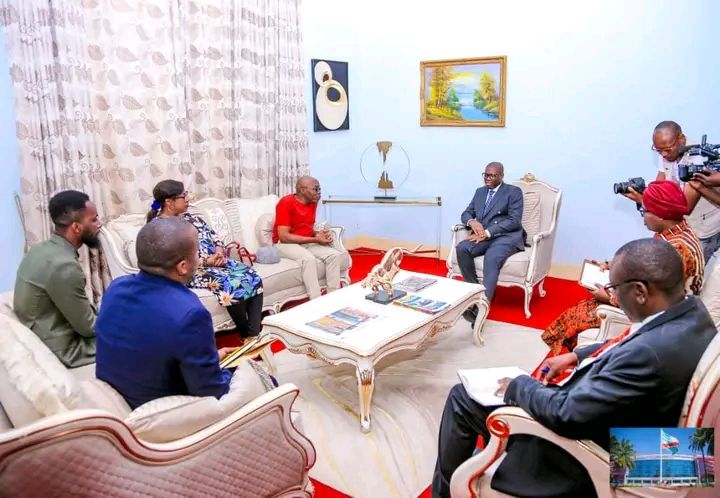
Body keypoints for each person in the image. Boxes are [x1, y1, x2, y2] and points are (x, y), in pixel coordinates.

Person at [432, 238, 716, 498]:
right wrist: (579, 356)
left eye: (614, 289)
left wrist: (518, 385)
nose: (611, 294)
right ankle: (481, 456)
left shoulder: (649, 354)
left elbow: (566, 415)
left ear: (640, 292)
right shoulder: (693, 313)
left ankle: (451, 490)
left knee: (462, 399)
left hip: (594, 455)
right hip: (660, 438)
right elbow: (637, 338)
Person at [96, 217, 272, 409]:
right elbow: (212, 391)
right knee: (266, 381)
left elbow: (150, 346)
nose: (199, 258)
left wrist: (209, 359)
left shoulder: (116, 288)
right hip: (164, 411)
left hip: (121, 396)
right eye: (197, 253)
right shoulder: (190, 313)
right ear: (182, 266)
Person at [542, 180, 704, 355]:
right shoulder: (678, 231)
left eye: (644, 211)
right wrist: (615, 265)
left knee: (577, 314)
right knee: (579, 309)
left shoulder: (676, 250)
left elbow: (654, 297)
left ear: (661, 215)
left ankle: (579, 361)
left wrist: (609, 298)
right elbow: (649, 265)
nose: (642, 217)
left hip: (659, 315)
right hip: (651, 297)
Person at [147, 180, 263, 341]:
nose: (187, 199)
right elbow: (172, 261)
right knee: (231, 283)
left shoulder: (191, 218)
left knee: (252, 275)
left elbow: (215, 237)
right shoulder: (158, 228)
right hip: (191, 271)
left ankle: (252, 335)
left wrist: (219, 253)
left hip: (217, 262)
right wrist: (206, 261)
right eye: (183, 196)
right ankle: (247, 335)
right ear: (169, 202)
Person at [13, 190, 101, 368]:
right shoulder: (64, 266)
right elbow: (89, 328)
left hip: (46, 330)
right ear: (76, 227)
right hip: (64, 348)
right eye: (94, 219)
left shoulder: (40, 249)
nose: (100, 224)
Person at [625, 121, 720, 262]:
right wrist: (645, 191)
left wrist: (643, 201)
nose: (663, 154)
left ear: (681, 139)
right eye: (658, 150)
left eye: (667, 150)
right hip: (681, 226)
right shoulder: (666, 148)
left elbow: (684, 207)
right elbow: (660, 185)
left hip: (702, 229)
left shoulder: (699, 159)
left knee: (687, 272)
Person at [456, 162, 524, 323]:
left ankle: (481, 309)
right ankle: (475, 295)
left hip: (506, 236)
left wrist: (487, 232)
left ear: (501, 176)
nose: (488, 178)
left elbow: (515, 221)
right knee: (462, 248)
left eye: (492, 175)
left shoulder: (513, 192)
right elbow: (466, 212)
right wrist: (472, 222)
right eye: (486, 175)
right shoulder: (480, 192)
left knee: (492, 257)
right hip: (482, 235)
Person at [273, 175, 342, 299]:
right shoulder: (286, 203)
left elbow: (304, 227)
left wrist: (318, 234)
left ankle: (333, 298)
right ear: (302, 190)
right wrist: (315, 239)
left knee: (334, 255)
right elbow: (284, 236)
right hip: (284, 244)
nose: (319, 193)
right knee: (308, 259)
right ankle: (315, 300)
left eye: (319, 189)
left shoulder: (312, 202)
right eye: (316, 189)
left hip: (305, 242)